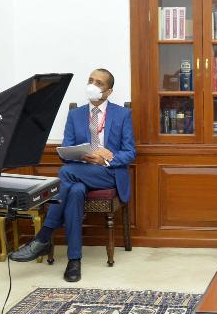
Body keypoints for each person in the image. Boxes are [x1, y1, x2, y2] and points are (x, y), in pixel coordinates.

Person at [9, 69, 136, 282]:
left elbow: (130, 152)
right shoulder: (75, 115)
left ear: (109, 91)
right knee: (75, 191)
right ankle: (74, 261)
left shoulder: (122, 114)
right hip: (80, 172)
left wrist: (106, 159)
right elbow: (66, 149)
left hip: (108, 173)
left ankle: (43, 236)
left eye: (99, 83)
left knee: (66, 173)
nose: (92, 85)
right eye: (90, 80)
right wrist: (82, 156)